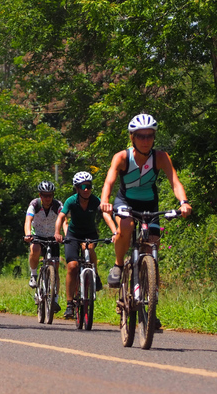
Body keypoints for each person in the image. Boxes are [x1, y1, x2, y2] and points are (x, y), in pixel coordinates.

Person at [100, 113, 192, 288]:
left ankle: (150, 300)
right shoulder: (122, 157)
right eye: (141, 136)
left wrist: (184, 202)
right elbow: (109, 181)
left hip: (150, 204)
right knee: (126, 226)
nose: (146, 140)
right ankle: (118, 265)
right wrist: (105, 201)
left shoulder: (161, 157)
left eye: (150, 135)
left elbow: (175, 182)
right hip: (125, 201)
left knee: (153, 244)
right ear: (132, 137)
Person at [54, 172, 118, 319]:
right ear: (77, 188)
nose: (86, 189)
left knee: (88, 247)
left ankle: (94, 274)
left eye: (88, 186)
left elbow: (106, 214)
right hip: (73, 235)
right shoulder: (71, 201)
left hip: (90, 234)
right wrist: (57, 232)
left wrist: (115, 232)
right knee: (72, 266)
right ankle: (70, 304)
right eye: (82, 187)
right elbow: (61, 216)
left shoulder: (95, 201)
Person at [24, 181, 66, 313]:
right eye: (44, 195)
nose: (47, 198)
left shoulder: (58, 205)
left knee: (55, 268)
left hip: (53, 236)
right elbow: (28, 221)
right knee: (35, 249)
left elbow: (64, 221)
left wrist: (67, 235)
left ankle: (55, 299)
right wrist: (28, 234)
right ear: (40, 195)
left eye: (50, 195)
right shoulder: (34, 204)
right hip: (38, 235)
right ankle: (33, 274)